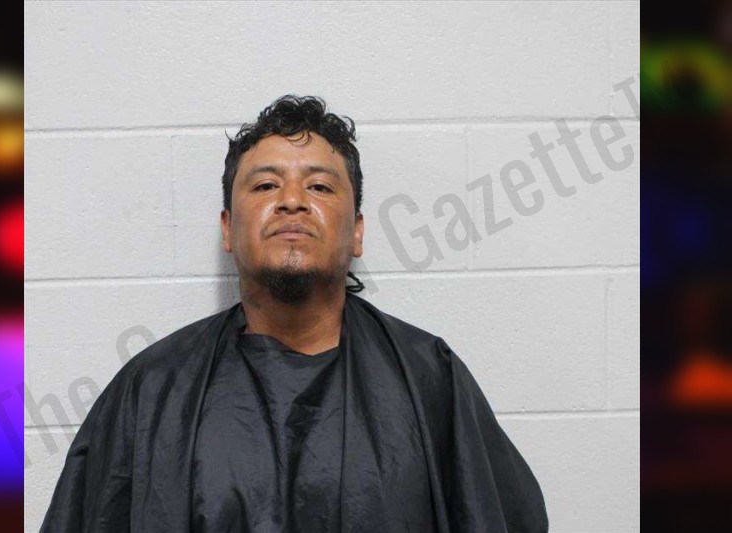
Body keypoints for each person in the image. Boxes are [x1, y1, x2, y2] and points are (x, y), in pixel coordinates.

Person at [40, 96, 548, 532]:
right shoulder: (153, 390)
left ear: (357, 232)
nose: (291, 202)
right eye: (265, 186)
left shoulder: (430, 379)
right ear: (227, 228)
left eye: (320, 187)